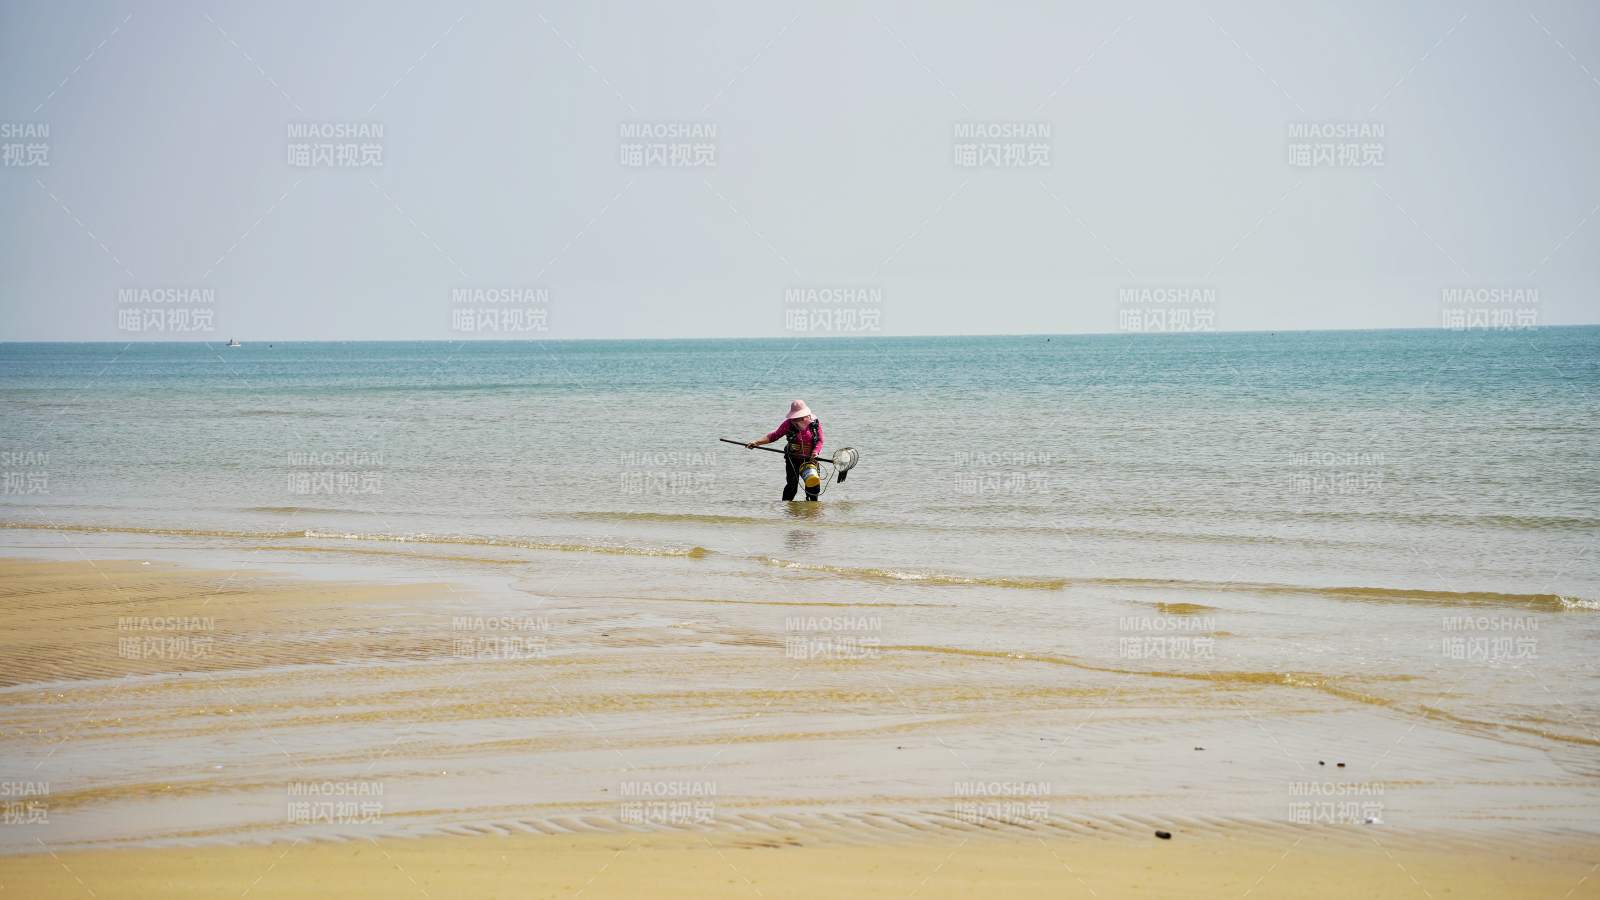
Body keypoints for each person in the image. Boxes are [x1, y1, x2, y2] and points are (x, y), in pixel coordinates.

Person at [746, 400, 824, 501]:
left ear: (805, 415)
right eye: (794, 417)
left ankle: (811, 511)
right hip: (793, 459)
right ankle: (785, 510)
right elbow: (774, 436)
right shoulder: (788, 424)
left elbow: (820, 440)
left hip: (810, 459)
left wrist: (815, 452)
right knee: (792, 487)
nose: (795, 419)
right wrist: (756, 442)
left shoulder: (814, 424)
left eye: (798, 417)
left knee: (813, 486)